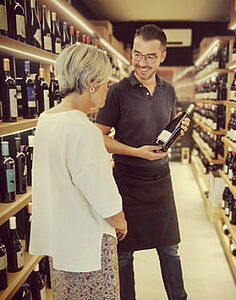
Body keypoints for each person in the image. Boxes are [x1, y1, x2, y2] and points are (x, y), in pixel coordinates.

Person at [96, 24, 189, 300]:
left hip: (161, 180)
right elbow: (99, 137)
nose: (141, 63)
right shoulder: (116, 92)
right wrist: (137, 152)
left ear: (162, 56)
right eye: (137, 54)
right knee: (124, 254)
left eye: (150, 56)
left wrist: (175, 133)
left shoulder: (169, 91)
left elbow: (161, 131)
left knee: (170, 249)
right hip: (127, 181)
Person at [29, 44, 127, 300]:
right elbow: (101, 191)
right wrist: (120, 220)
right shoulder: (83, 130)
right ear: (91, 82)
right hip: (88, 245)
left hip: (61, 241)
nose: (108, 87)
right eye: (106, 81)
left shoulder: (47, 119)